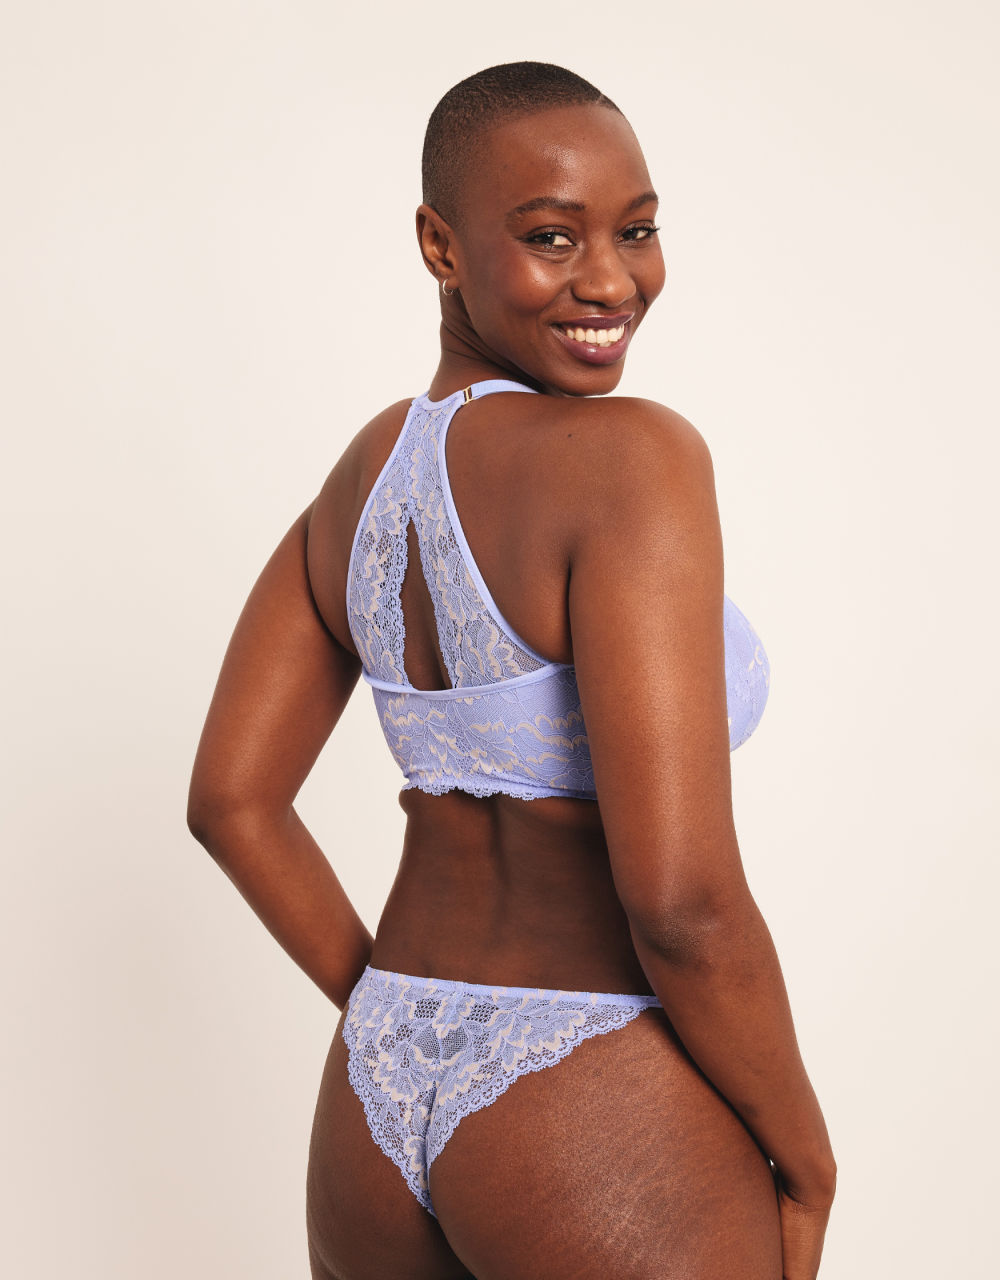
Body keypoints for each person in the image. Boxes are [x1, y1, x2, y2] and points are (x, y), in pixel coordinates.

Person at [188, 61, 836, 1280]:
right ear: (440, 244)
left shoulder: (358, 482)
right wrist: (804, 1154)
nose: (611, 281)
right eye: (551, 236)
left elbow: (230, 800)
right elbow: (681, 903)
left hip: (377, 1085)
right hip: (586, 1084)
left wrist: (390, 1011)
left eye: (636, 230)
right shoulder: (631, 457)